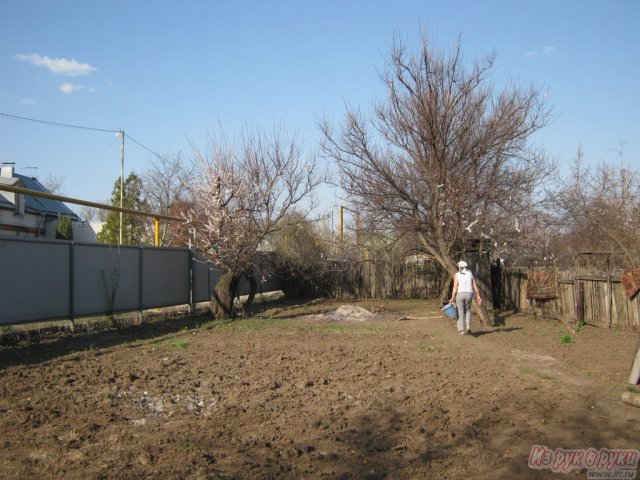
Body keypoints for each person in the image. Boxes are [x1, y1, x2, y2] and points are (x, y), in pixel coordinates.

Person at [449, 260, 482, 335]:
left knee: (460, 311)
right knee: (468, 310)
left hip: (460, 294)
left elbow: (455, 287)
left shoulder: (456, 275)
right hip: (469, 294)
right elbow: (474, 286)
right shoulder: (470, 274)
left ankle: (461, 330)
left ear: (459, 267)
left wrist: (452, 297)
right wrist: (478, 296)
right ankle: (468, 326)